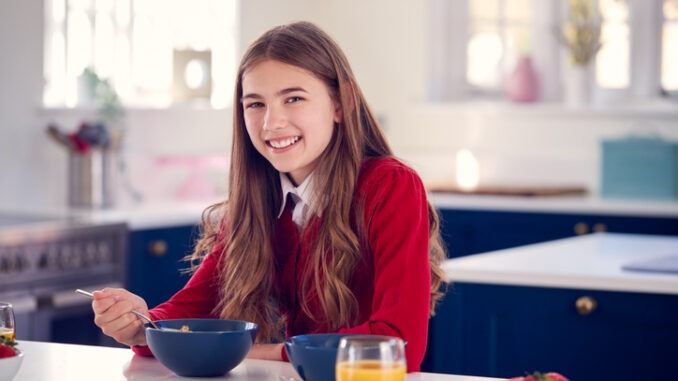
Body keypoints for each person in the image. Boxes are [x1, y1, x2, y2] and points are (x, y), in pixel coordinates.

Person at [90, 21, 446, 371]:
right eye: (255, 104)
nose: (271, 123)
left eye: (293, 98)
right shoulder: (257, 205)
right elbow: (190, 312)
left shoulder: (391, 187)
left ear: (342, 103)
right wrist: (140, 325)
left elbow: (398, 346)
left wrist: (259, 352)